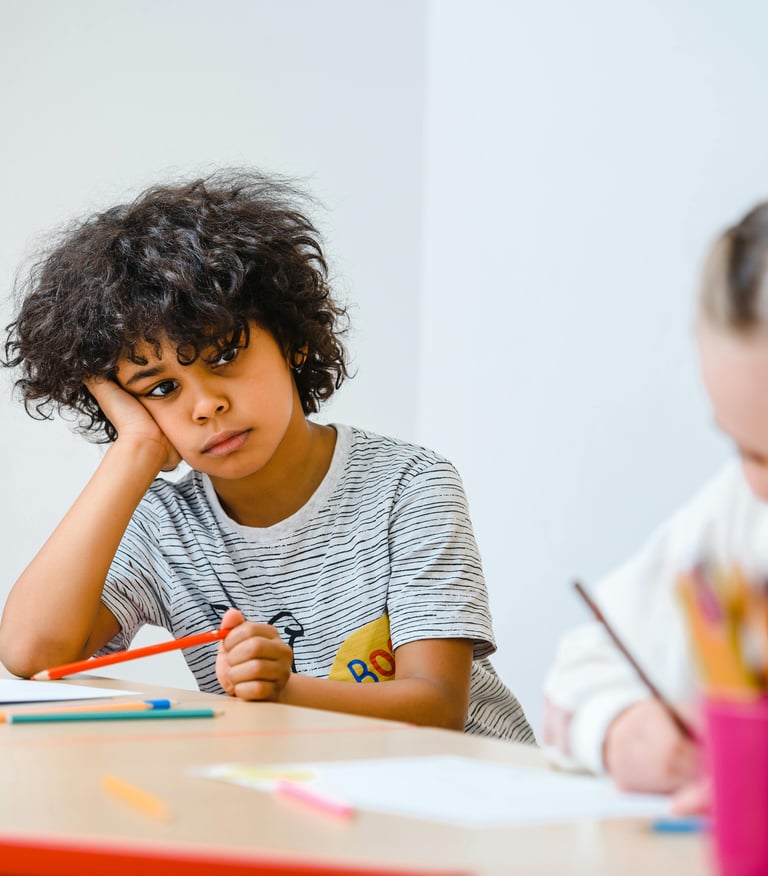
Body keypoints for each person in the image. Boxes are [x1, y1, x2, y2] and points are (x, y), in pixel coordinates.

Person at [0, 169, 534, 743]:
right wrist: (133, 449)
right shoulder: (164, 526)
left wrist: (286, 692)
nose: (206, 405)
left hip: (470, 781)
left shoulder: (409, 484)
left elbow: (438, 708)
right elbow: (30, 654)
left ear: (291, 340)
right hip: (303, 788)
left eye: (223, 356)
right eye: (162, 388)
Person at [543, 200, 768, 807]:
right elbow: (576, 675)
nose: (760, 487)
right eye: (746, 449)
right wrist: (622, 730)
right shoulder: (736, 516)